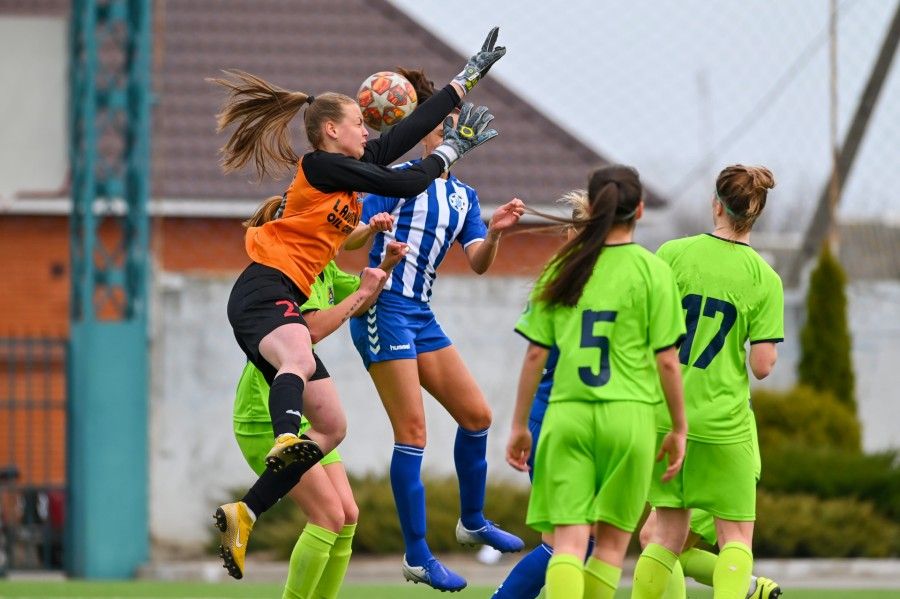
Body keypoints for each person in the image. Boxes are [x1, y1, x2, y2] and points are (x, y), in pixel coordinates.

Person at [209, 27, 507, 580]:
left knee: (332, 427)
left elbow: (406, 134)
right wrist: (452, 150)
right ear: (331, 130)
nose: (367, 130)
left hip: (285, 297)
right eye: (358, 123)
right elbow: (406, 184)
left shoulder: (347, 170)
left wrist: (464, 81)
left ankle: (243, 513)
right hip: (262, 289)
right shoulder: (321, 167)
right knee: (297, 359)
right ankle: (284, 435)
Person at [346, 67, 526, 592]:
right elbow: (347, 239)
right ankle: (418, 555)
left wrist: (496, 233)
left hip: (420, 315)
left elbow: (479, 262)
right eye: (440, 119)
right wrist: (372, 228)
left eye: (452, 119)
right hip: (382, 308)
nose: (448, 126)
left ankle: (472, 522)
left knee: (478, 416)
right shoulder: (396, 179)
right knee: (414, 434)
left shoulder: (464, 197)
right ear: (420, 125)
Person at [506, 165, 688, 599]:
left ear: (592, 206)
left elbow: (535, 354)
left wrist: (518, 425)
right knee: (607, 548)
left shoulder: (564, 267)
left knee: (568, 544)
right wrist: (679, 427)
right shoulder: (653, 271)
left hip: (568, 417)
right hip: (629, 420)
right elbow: (667, 361)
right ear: (639, 210)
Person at [230, 197, 408, 597]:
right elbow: (314, 328)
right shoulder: (291, 274)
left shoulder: (322, 267)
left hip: (309, 416)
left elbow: (362, 297)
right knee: (327, 516)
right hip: (265, 415)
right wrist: (364, 289)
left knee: (347, 515)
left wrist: (386, 266)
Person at [634, 165, 783, 599]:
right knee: (735, 537)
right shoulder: (765, 279)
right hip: (723, 424)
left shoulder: (673, 254)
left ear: (716, 205)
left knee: (663, 537)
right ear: (756, 214)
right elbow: (762, 366)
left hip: (667, 418)